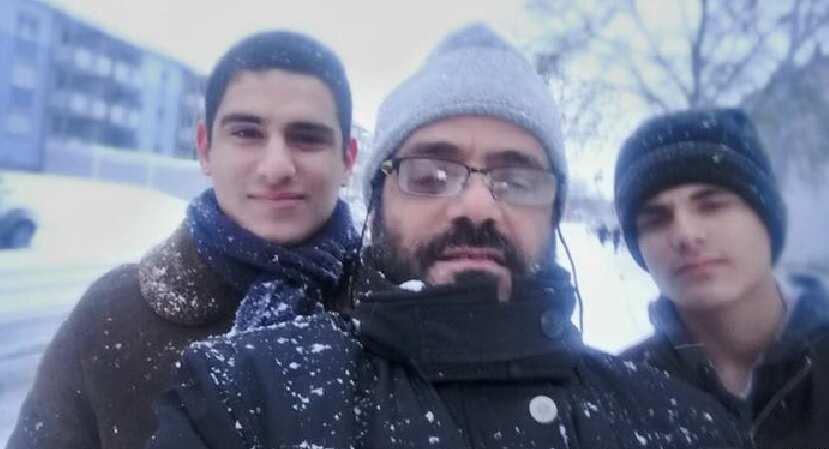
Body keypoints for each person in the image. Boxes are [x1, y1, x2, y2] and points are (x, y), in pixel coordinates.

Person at [147, 25, 746, 449]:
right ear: (377, 201)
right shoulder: (245, 397)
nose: (478, 205)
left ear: (555, 209)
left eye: (516, 178)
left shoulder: (679, 425)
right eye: (431, 175)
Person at [7, 30, 357, 449]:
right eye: (247, 133)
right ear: (205, 149)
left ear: (348, 159)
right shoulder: (111, 316)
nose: (276, 166)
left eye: (307, 137)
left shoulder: (393, 312)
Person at [614, 108, 829, 448]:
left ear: (767, 219)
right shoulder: (617, 394)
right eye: (656, 218)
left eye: (712, 205)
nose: (685, 234)